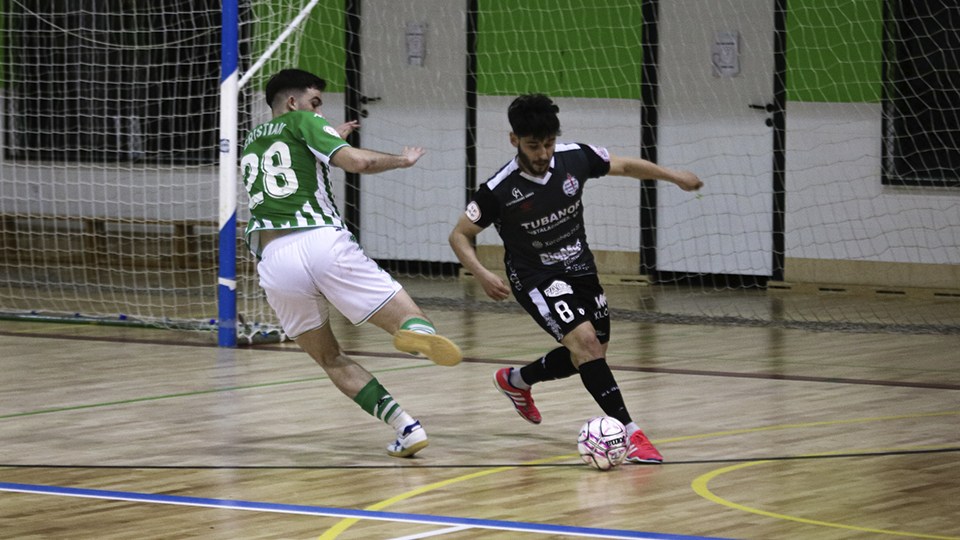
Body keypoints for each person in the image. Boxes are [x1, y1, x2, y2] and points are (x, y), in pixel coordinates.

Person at [448, 94, 703, 463]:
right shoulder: (498, 190)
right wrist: (483, 274)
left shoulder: (574, 157)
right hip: (534, 275)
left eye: (548, 143)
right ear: (513, 140)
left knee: (593, 349)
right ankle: (631, 434)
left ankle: (516, 380)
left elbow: (626, 166)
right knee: (585, 343)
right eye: (533, 145)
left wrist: (674, 176)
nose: (542, 153)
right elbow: (459, 234)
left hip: (580, 267)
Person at [241, 69, 462, 458]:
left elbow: (288, 167)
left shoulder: (252, 141)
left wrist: (326, 137)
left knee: (330, 357)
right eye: (315, 103)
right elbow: (358, 163)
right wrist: (401, 160)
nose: (320, 113)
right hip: (321, 241)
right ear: (293, 103)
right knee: (407, 318)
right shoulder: (304, 121)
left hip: (274, 260)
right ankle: (415, 332)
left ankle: (405, 427)